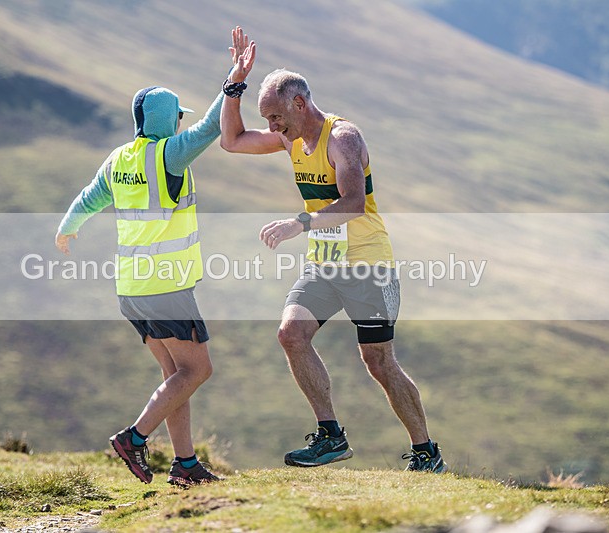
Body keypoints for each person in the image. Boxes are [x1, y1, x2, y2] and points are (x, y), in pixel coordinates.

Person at [219, 26, 446, 472]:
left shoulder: (343, 138)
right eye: (268, 120)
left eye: (276, 117)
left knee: (378, 361)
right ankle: (330, 437)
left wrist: (297, 223)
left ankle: (426, 452)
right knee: (290, 334)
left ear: (299, 103)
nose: (271, 127)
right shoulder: (290, 137)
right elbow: (232, 141)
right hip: (325, 265)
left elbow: (354, 204)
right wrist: (234, 84)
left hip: (367, 264)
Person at [54, 33, 255, 486]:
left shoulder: (118, 159)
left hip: (131, 289)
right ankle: (134, 438)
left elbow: (89, 198)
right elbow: (209, 127)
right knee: (198, 369)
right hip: (165, 287)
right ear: (168, 120)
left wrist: (68, 227)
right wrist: (235, 81)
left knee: (175, 375)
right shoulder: (170, 154)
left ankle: (184, 467)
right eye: (176, 118)